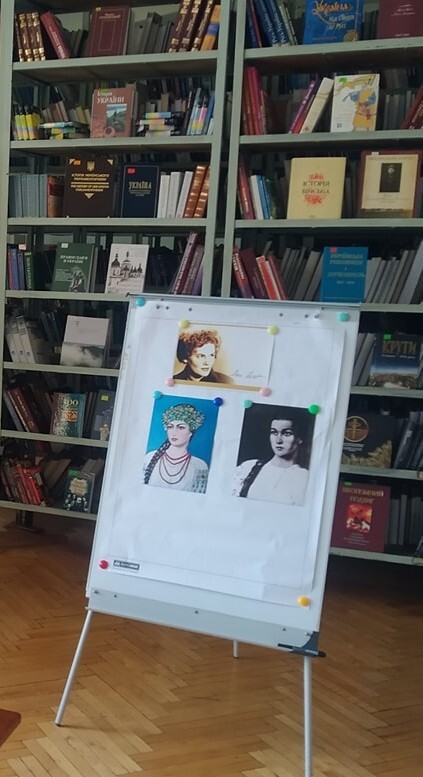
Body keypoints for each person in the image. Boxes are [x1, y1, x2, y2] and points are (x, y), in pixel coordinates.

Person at [232, 409, 311, 505]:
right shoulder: (248, 467)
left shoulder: (304, 478)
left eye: (287, 433)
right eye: (274, 432)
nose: (278, 440)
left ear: (299, 438)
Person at [144, 403, 209, 493]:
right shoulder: (149, 457)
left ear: (191, 432)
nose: (174, 432)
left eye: (181, 427)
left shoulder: (199, 465)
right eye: (170, 427)